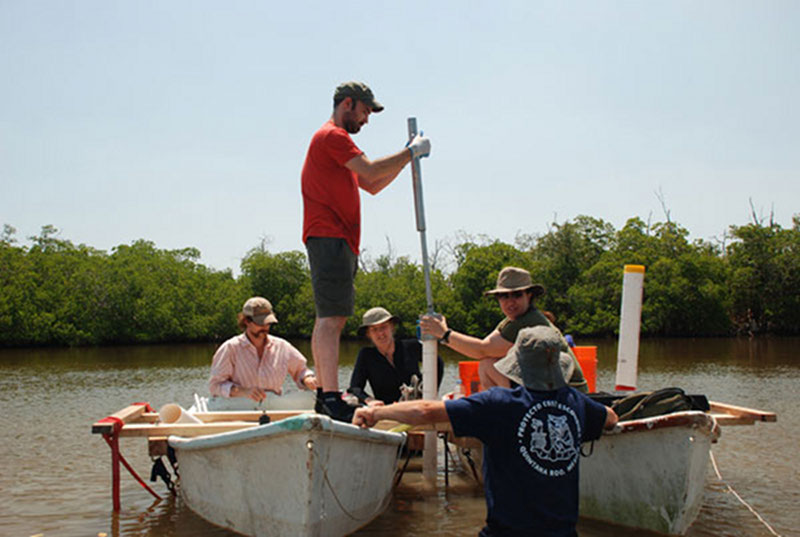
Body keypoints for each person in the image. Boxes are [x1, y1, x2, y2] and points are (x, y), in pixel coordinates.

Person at [353, 326, 618, 537]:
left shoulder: (499, 404)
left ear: (519, 367)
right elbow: (609, 417)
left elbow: (425, 411)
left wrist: (375, 413)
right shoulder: (575, 402)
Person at [301, 81, 431, 421]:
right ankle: (329, 397)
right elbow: (372, 169)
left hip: (338, 239)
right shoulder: (333, 137)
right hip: (329, 236)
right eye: (365, 111)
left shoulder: (339, 148)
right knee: (331, 319)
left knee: (334, 316)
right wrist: (410, 153)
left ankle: (327, 395)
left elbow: (371, 183)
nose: (367, 119)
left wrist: (405, 159)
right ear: (348, 104)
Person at [420, 266, 588, 392]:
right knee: (489, 364)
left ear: (529, 295)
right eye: (503, 296)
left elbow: (482, 351)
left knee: (488, 365)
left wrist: (444, 333)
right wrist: (443, 333)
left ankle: (505, 413)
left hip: (569, 392)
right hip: (554, 388)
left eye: (517, 295)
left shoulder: (528, 321)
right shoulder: (514, 320)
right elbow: (485, 346)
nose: (510, 302)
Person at [209, 297, 318, 402]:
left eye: (268, 323)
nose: (265, 327)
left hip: (274, 408)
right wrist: (242, 391)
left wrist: (307, 379)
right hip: (239, 409)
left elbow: (301, 370)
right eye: (260, 323)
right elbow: (215, 386)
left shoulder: (282, 346)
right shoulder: (230, 348)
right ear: (247, 321)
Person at [348, 307, 445, 405]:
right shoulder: (366, 355)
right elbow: (355, 388)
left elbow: (437, 362)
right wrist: (369, 400)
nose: (380, 333)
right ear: (368, 334)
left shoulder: (412, 346)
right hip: (388, 410)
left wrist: (429, 392)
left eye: (383, 327)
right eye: (374, 329)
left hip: (417, 406)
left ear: (392, 327)